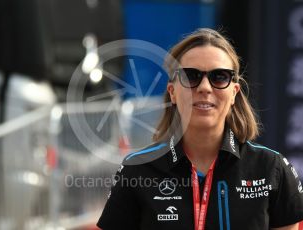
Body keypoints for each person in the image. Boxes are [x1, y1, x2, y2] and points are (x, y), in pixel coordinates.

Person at [97, 28, 303, 230]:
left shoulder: (271, 168)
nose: (205, 87)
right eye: (190, 76)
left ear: (234, 93)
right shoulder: (138, 168)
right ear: (173, 93)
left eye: (219, 76)